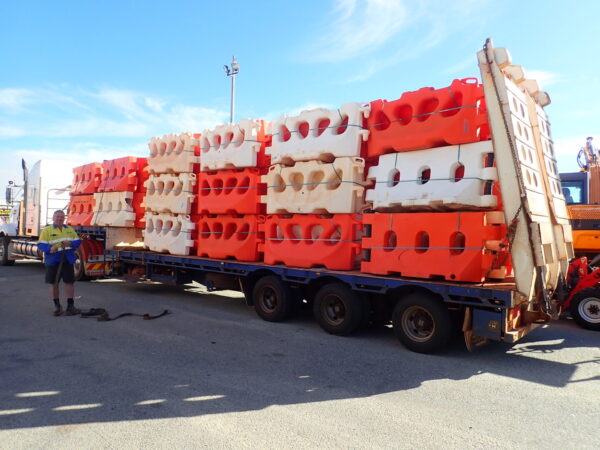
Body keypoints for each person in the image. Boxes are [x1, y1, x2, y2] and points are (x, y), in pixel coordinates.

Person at [37, 210, 81, 316]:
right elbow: (40, 245)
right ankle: (57, 306)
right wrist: (50, 248)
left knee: (69, 282)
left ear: (64, 218)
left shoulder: (69, 229)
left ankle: (70, 306)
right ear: (53, 218)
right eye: (57, 217)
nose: (59, 219)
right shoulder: (47, 230)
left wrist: (70, 243)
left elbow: (78, 241)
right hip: (53, 261)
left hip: (67, 259)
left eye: (61, 217)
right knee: (54, 283)